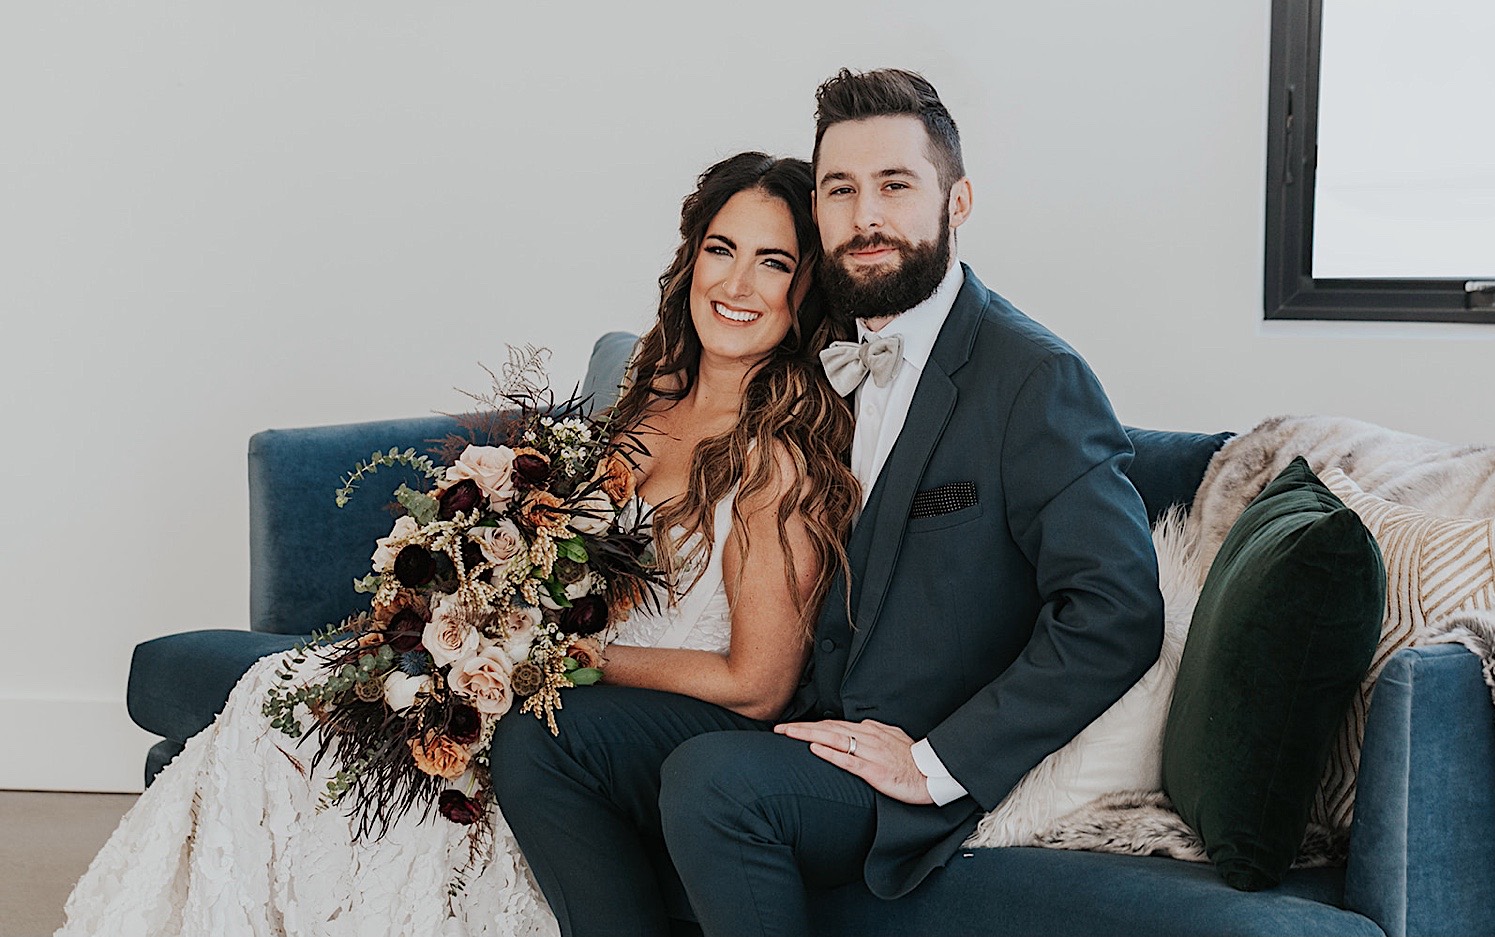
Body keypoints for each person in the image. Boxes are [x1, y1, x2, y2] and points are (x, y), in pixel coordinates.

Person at [55, 151, 859, 937]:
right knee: (285, 699)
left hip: (632, 722)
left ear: (807, 289)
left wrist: (557, 658)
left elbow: (758, 682)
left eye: (773, 262)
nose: (737, 284)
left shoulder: (776, 455)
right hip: (529, 684)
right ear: (691, 261)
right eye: (721, 250)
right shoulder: (648, 398)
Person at [497, 69, 1165, 937]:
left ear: (958, 200)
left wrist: (939, 762)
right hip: (793, 727)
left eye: (896, 185)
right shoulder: (815, 361)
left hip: (896, 767)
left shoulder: (1032, 377)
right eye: (841, 190)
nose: (866, 216)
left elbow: (1116, 609)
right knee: (540, 734)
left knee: (712, 782)